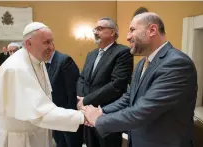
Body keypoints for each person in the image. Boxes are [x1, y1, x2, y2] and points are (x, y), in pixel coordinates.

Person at [82, 12, 198, 147]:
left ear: (152, 30)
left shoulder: (177, 63)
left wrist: (99, 120)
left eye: (132, 30)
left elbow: (143, 111)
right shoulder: (142, 63)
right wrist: (102, 111)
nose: (127, 37)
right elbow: (129, 97)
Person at [0, 22, 85, 147]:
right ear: (28, 43)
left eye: (52, 42)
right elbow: (39, 113)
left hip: (36, 132)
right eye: (46, 42)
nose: (52, 47)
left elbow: (45, 96)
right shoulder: (17, 69)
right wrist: (82, 117)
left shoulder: (37, 60)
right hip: (19, 139)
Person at [77, 17, 133, 147]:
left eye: (100, 29)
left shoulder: (122, 52)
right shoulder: (91, 54)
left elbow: (116, 85)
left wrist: (86, 100)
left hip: (107, 112)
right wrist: (81, 100)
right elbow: (82, 78)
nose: (95, 32)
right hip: (87, 111)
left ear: (112, 32)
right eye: (95, 29)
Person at [46, 45, 83, 147]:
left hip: (67, 114)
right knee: (60, 142)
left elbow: (73, 91)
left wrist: (70, 116)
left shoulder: (64, 60)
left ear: (51, 47)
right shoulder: (45, 63)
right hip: (55, 113)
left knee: (71, 143)